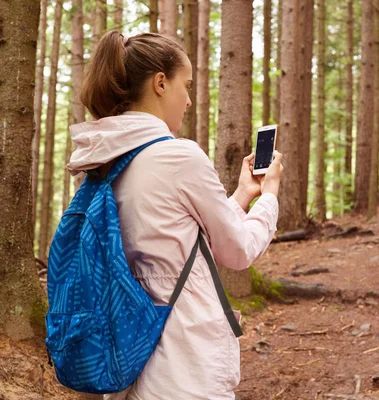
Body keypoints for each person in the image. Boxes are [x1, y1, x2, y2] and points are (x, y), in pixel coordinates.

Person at [66, 31, 283, 400]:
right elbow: (239, 251)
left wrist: (244, 193)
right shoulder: (178, 157)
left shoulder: (104, 160)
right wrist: (270, 196)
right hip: (185, 363)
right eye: (187, 84)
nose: (189, 100)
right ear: (160, 83)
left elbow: (180, 244)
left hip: (128, 355)